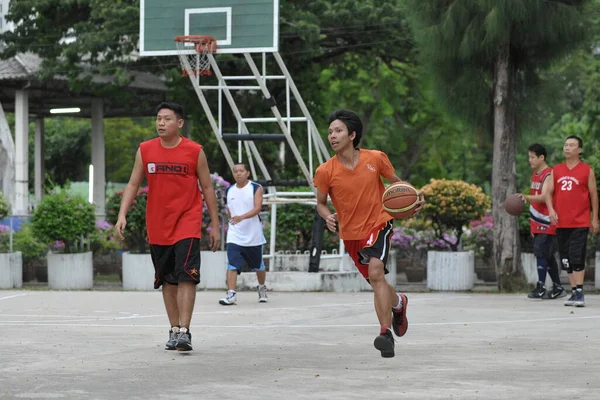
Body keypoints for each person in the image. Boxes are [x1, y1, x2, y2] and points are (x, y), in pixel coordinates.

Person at [313, 109, 423, 358]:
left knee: (376, 273)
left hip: (379, 223)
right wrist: (326, 215)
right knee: (378, 282)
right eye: (330, 131)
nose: (332, 135)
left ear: (352, 135)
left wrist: (414, 197)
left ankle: (385, 334)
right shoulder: (325, 171)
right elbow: (320, 203)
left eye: (338, 130)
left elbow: (398, 185)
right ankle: (399, 304)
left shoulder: (375, 159)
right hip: (351, 235)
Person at [115, 102, 221, 351]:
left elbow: (207, 188)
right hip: (158, 225)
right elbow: (132, 184)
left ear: (180, 123)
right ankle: (174, 329)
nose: (161, 123)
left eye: (167, 119)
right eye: (158, 119)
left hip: (187, 222)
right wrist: (122, 215)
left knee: (187, 276)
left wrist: (215, 225)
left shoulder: (195, 151)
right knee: (168, 280)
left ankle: (185, 331)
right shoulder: (145, 150)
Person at [545, 135, 598, 307]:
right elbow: (548, 193)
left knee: (576, 256)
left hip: (580, 222)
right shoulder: (557, 170)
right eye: (566, 145)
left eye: (572, 145)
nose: (567, 148)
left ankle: (580, 292)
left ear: (579, 150)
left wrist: (595, 218)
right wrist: (551, 210)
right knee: (565, 259)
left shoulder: (587, 170)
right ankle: (574, 291)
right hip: (561, 222)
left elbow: (593, 196)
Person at [517, 144, 565, 300]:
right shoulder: (535, 174)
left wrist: (526, 197)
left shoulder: (549, 174)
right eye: (529, 156)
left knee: (541, 253)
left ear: (541, 157)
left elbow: (545, 196)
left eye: (532, 157)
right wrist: (532, 223)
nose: (529, 160)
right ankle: (557, 286)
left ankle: (541, 286)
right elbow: (536, 200)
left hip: (546, 220)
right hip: (537, 220)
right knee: (547, 255)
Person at [219, 163, 268, 305]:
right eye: (235, 171)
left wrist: (241, 217)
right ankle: (231, 294)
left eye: (241, 171)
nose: (238, 173)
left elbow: (258, 208)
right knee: (232, 264)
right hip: (235, 235)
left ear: (247, 173)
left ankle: (262, 287)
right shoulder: (229, 190)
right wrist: (233, 220)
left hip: (253, 235)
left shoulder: (255, 188)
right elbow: (229, 209)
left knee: (259, 266)